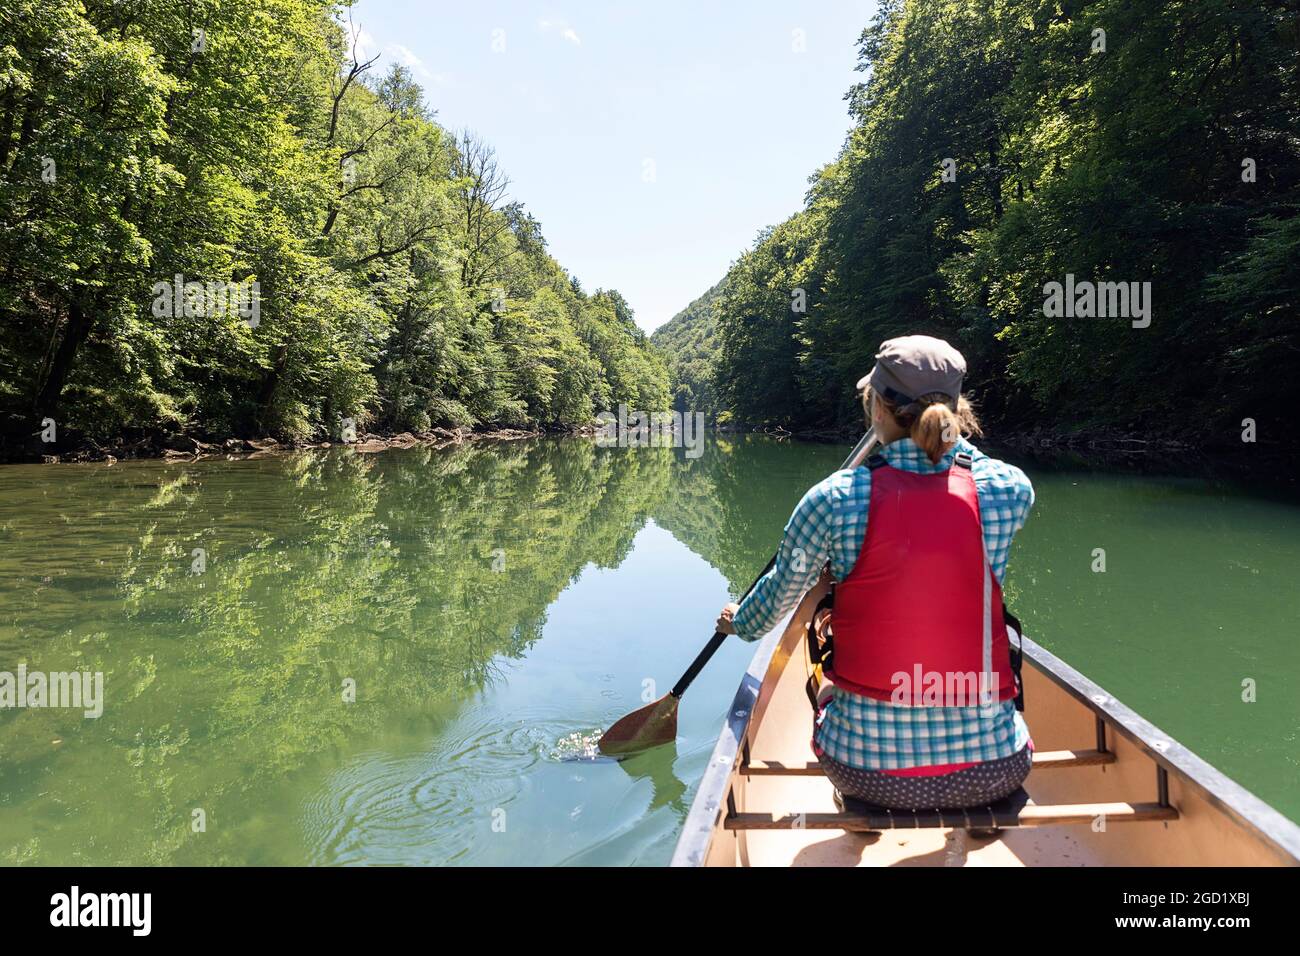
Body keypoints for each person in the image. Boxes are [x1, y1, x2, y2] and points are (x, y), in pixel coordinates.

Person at [715, 335, 1035, 810]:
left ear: (877, 408)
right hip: (995, 769)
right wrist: (947, 445)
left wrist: (736, 620)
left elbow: (771, 610)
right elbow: (967, 473)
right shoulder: (1009, 490)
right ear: (957, 410)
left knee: (825, 690)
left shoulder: (832, 499)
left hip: (867, 773)